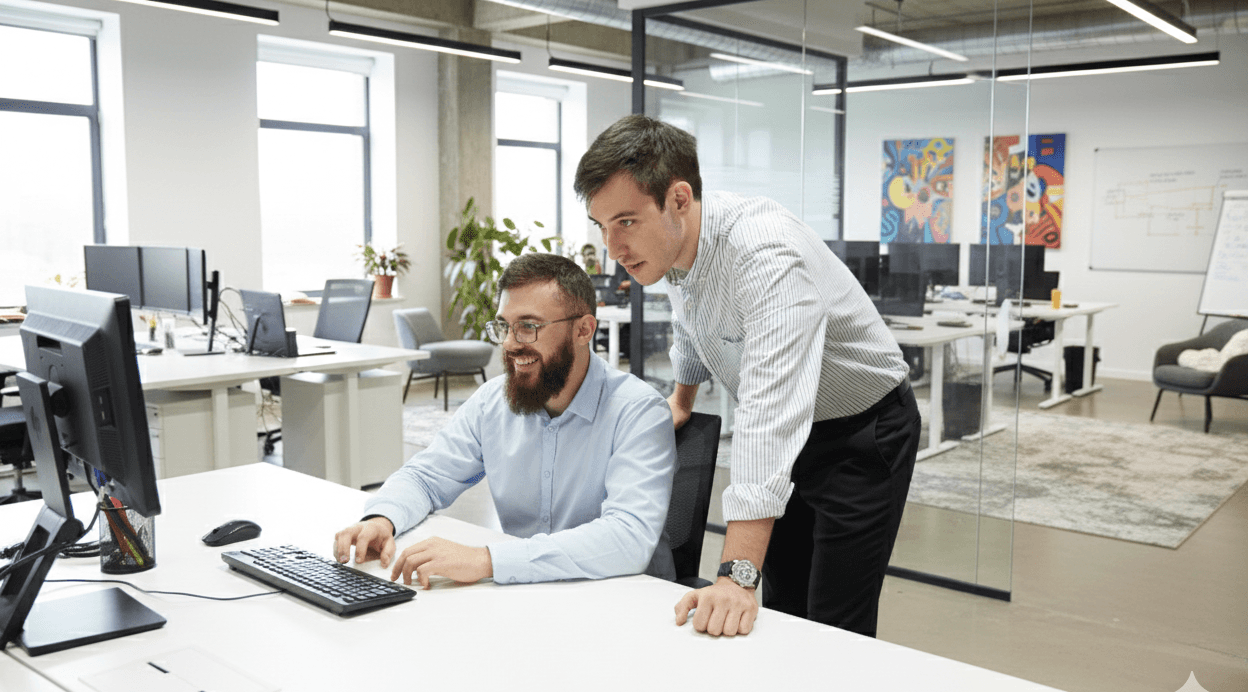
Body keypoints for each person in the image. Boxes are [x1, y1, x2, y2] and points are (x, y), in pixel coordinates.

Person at [575, 114, 921, 638]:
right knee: (783, 607)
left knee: (835, 623)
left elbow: (768, 415)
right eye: (602, 227)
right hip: (799, 433)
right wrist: (682, 398)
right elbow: (693, 324)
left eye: (625, 222)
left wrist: (735, 575)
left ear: (679, 199)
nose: (613, 247)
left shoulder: (765, 256)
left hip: (862, 433)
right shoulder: (672, 248)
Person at [334, 252, 677, 587]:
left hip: (627, 600)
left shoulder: (638, 411)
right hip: (527, 595)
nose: (511, 344)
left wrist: (487, 560)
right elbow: (426, 477)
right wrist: (382, 518)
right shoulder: (493, 401)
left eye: (528, 326)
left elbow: (627, 538)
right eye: (504, 326)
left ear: (584, 330)